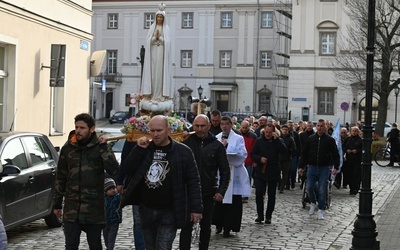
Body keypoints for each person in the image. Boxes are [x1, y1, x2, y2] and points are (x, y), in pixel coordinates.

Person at [120, 115, 203, 250]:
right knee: (150, 247)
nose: (155, 134)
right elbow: (127, 169)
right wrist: (138, 150)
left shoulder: (183, 151)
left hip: (169, 210)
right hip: (146, 209)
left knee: (163, 246)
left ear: (168, 130)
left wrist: (196, 209)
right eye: (152, 131)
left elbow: (193, 180)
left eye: (159, 130)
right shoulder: (145, 148)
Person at [53, 113, 119, 249]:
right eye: (77, 127)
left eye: (82, 128)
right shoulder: (68, 148)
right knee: (70, 245)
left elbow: (114, 170)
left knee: (95, 245)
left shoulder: (99, 147)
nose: (78, 131)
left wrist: (104, 148)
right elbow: (61, 176)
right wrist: (57, 203)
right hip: (72, 209)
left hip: (93, 208)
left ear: (92, 129)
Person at [179, 114, 230, 250]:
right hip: (188, 191)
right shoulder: (187, 142)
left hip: (208, 192)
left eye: (203, 126)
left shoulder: (217, 146)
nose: (200, 129)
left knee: (206, 226)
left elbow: (225, 170)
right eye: (197, 126)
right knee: (186, 225)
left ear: (208, 126)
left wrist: (221, 191)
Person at [212, 116, 250, 237]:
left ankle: (229, 226)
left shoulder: (238, 138)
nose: (224, 126)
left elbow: (242, 154)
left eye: (226, 124)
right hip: (220, 172)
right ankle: (218, 224)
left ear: (231, 125)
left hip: (234, 171)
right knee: (219, 200)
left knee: (233, 202)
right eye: (222, 124)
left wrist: (227, 146)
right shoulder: (216, 138)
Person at [298, 119, 340, 220]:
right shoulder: (311, 138)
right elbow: (304, 153)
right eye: (318, 126)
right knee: (309, 187)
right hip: (312, 167)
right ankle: (313, 202)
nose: (320, 128)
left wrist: (336, 167)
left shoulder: (330, 140)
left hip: (324, 168)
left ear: (325, 127)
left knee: (322, 189)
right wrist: (301, 166)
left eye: (322, 126)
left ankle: (321, 209)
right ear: (316, 127)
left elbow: (335, 154)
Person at [251, 123, 287, 224]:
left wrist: (277, 140)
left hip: (273, 171)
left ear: (274, 132)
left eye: (270, 132)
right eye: (266, 132)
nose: (268, 134)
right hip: (260, 171)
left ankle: (268, 216)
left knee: (271, 196)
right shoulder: (259, 141)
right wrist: (260, 159)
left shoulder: (278, 141)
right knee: (259, 194)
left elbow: (284, 151)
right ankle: (260, 215)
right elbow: (253, 154)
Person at [140, 6, 173, 112]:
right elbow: (148, 41)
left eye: (161, 18)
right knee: (153, 75)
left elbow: (168, 43)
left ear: (163, 19)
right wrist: (155, 38)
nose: (159, 19)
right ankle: (152, 94)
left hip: (162, 57)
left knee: (160, 75)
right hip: (153, 55)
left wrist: (161, 38)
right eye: (158, 17)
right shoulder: (152, 27)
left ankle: (160, 95)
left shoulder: (166, 28)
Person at [117, 140, 146, 250]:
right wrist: (120, 181)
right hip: (137, 184)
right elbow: (125, 159)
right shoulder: (134, 135)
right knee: (138, 222)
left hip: (158, 188)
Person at [342, 126, 363, 195]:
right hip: (348, 160)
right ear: (350, 131)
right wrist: (346, 150)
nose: (354, 132)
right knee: (349, 174)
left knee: (356, 174)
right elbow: (343, 147)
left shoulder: (360, 140)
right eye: (353, 131)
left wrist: (357, 151)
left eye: (355, 131)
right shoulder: (347, 139)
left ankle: (355, 188)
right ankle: (351, 188)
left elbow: (363, 150)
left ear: (358, 132)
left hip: (357, 160)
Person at [103, 178, 122, 250]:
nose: (112, 190)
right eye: (110, 189)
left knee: (111, 238)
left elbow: (123, 199)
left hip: (114, 221)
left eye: (113, 188)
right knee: (106, 238)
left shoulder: (117, 197)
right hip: (105, 222)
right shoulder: (103, 198)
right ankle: (108, 247)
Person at [240, 120, 257, 190]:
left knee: (247, 178)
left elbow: (255, 149)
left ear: (249, 127)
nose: (244, 129)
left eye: (246, 128)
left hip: (249, 160)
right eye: (243, 127)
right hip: (240, 160)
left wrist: (254, 161)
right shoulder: (238, 134)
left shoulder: (253, 136)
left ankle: (246, 193)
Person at [279, 124, 296, 193]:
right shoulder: (279, 138)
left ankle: (282, 187)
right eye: (283, 129)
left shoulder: (290, 139)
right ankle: (279, 184)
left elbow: (293, 148)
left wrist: (288, 150)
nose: (284, 131)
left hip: (287, 158)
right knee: (277, 173)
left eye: (286, 129)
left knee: (285, 173)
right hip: (279, 158)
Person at [286, 120, 302, 190]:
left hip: (294, 154)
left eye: (291, 125)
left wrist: (299, 153)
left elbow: (299, 144)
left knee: (293, 169)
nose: (290, 127)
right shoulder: (284, 134)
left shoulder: (295, 134)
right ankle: (287, 184)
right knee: (287, 170)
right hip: (286, 154)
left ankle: (292, 181)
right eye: (289, 125)